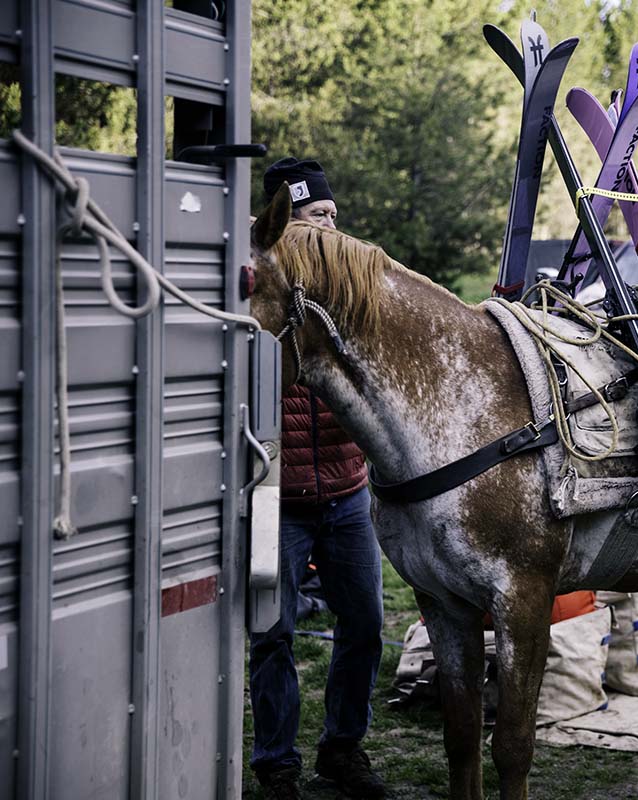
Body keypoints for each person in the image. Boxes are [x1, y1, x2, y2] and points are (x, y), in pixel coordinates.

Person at [249, 157, 387, 800]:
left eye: (333, 214)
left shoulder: (352, 298)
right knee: (273, 634)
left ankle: (342, 748)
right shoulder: (265, 293)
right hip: (277, 494)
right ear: (286, 227)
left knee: (364, 623)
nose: (331, 226)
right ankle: (276, 763)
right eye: (315, 217)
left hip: (348, 493)